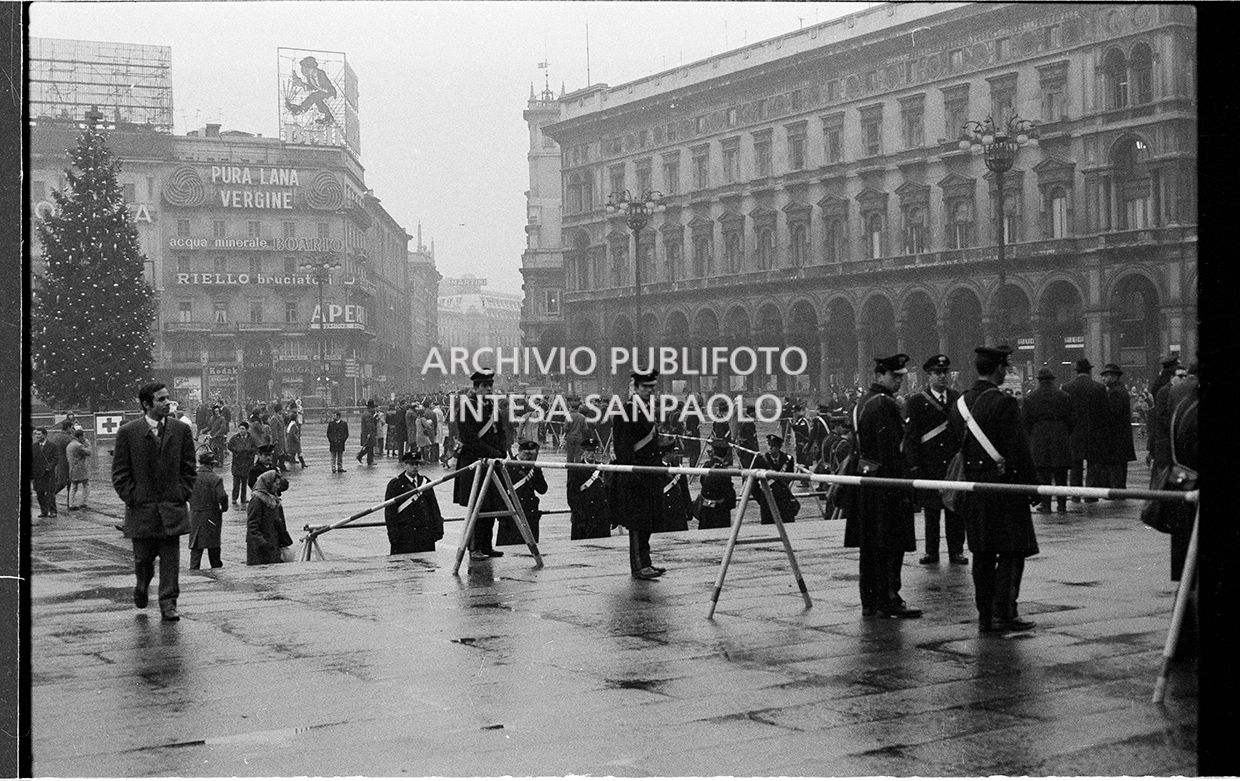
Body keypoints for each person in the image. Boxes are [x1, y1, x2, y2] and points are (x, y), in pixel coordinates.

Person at [949, 346, 1039, 634]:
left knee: (982, 553)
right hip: (1004, 489)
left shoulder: (959, 404)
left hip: (974, 490)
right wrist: (1033, 488)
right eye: (1006, 367)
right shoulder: (1004, 404)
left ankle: (985, 615)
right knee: (1012, 552)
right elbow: (1019, 450)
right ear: (998, 368)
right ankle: (1006, 612)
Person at [111, 382, 197, 621]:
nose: (167, 403)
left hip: (171, 509)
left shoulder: (180, 430)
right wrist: (134, 497)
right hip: (142, 511)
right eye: (161, 399)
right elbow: (120, 473)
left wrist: (182, 493)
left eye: (167, 398)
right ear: (147, 405)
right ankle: (142, 585)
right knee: (143, 560)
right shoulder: (129, 432)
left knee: (170, 561)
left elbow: (189, 468)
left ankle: (168, 603)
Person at [844, 353, 921, 619]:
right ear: (879, 376)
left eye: (901, 376)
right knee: (890, 544)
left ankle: (870, 601)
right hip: (886, 487)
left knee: (870, 547)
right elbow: (892, 452)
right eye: (894, 376)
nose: (899, 381)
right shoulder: (884, 405)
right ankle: (889, 598)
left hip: (867, 484)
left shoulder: (862, 402)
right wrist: (903, 489)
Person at [903, 354, 967, 566]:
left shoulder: (957, 398)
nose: (941, 377)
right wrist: (914, 465)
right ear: (928, 376)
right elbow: (912, 437)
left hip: (951, 465)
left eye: (944, 373)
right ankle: (931, 552)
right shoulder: (917, 401)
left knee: (954, 510)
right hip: (928, 464)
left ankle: (956, 551)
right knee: (931, 513)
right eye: (937, 373)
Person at [611, 370, 667, 579]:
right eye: (645, 387)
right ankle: (638, 565)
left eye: (652, 387)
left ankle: (647, 562)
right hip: (636, 475)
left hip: (650, 474)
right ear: (635, 388)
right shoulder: (627, 410)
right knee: (637, 522)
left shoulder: (646, 409)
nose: (650, 390)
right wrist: (631, 471)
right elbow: (623, 445)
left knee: (648, 521)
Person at [453, 369, 508, 559]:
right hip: (475, 462)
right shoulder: (465, 408)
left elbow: (500, 432)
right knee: (477, 507)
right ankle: (474, 548)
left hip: (492, 462)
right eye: (484, 386)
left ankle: (486, 546)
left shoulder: (492, 407)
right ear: (475, 388)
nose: (488, 389)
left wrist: (502, 451)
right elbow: (469, 438)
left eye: (490, 385)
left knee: (491, 506)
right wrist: (492, 452)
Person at [1021, 367, 1075, 514]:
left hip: (1040, 437)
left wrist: (1034, 435)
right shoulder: (1064, 396)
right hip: (1060, 436)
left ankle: (1046, 504)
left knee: (1043, 474)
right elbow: (1072, 420)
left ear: (1039, 381)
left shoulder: (1031, 398)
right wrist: (1064, 431)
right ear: (1053, 380)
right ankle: (1062, 505)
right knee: (1061, 475)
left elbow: (1025, 422)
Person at [1062, 358, 1108, 505]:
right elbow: (1104, 413)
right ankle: (1090, 495)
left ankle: (1075, 495)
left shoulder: (1067, 388)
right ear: (1089, 370)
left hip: (1074, 433)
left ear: (1076, 372)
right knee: (1093, 465)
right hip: (1094, 433)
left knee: (1076, 466)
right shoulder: (1099, 388)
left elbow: (1065, 413)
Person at [383, 450, 445, 554]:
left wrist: (438, 528)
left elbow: (433, 507)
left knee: (426, 565)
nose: (415, 467)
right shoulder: (395, 484)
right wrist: (393, 535)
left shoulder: (425, 482)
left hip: (424, 534)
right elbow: (390, 513)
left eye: (417, 464)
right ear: (405, 465)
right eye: (411, 464)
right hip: (405, 536)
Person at [496, 440, 547, 546]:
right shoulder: (507, 466)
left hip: (529, 513)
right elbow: (500, 493)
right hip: (512, 514)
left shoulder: (533, 467)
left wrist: (536, 470)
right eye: (526, 453)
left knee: (531, 549)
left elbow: (542, 489)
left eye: (531, 454)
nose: (528, 457)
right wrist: (502, 516)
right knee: (510, 549)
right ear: (519, 451)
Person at [188, 452, 229, 569]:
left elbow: (184, 494)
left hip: (195, 515)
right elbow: (222, 497)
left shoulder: (191, 477)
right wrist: (224, 508)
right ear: (211, 465)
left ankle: (194, 572)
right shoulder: (216, 479)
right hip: (212, 516)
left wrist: (193, 504)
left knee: (195, 548)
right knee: (214, 548)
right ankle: (216, 575)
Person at [1099, 364, 1136, 491]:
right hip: (1121, 436)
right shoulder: (1119, 390)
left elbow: (1113, 413)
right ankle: (1118, 489)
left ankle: (1117, 491)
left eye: (1105, 376)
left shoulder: (1115, 392)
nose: (1103, 379)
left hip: (1116, 437)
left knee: (1116, 466)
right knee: (1119, 466)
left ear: (1113, 377)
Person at [567, 437, 610, 539]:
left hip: (601, 516)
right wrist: (579, 516)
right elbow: (572, 495)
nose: (592, 454)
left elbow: (608, 491)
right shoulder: (576, 469)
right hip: (584, 517)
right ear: (584, 451)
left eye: (594, 451)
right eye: (589, 451)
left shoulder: (603, 468)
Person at [246, 469, 292, 565]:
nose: (277, 487)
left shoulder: (274, 499)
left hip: (272, 544)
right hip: (261, 549)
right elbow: (252, 525)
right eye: (276, 484)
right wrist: (263, 543)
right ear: (269, 483)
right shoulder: (257, 499)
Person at [753, 434, 799, 526]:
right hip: (767, 498)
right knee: (768, 525)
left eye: (773, 446)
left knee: (787, 524)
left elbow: (789, 477)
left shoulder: (788, 459)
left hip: (784, 498)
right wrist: (761, 498)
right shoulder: (760, 460)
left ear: (778, 447)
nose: (770, 449)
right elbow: (754, 483)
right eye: (769, 446)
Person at [695, 438, 737, 530]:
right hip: (719, 511)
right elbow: (727, 491)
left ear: (713, 451)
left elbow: (702, 482)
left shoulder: (706, 465)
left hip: (706, 509)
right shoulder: (723, 470)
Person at [287, 55, 338, 125]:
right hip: (321, 93)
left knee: (315, 96)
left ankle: (300, 109)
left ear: (310, 68)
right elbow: (312, 87)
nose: (302, 71)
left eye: (303, 68)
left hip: (329, 91)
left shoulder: (320, 73)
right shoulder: (309, 76)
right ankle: (328, 117)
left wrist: (318, 91)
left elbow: (326, 87)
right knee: (317, 100)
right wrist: (302, 84)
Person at [655, 441, 692, 533]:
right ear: (667, 454)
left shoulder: (678, 468)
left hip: (678, 512)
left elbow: (684, 490)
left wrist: (688, 508)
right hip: (664, 512)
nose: (676, 455)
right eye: (674, 452)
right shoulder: (655, 469)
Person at [226, 421, 256, 506]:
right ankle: (234, 498)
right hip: (237, 463)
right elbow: (229, 446)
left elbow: (255, 448)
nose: (241, 431)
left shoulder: (251, 439)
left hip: (247, 463)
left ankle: (243, 498)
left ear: (246, 429)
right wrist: (236, 451)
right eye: (240, 429)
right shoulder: (235, 438)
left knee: (244, 483)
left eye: (243, 429)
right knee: (236, 483)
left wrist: (250, 453)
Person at [32, 427, 59, 518]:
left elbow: (56, 458)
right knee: (40, 494)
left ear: (45, 434)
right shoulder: (34, 447)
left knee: (50, 493)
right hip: (38, 474)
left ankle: (53, 511)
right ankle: (44, 511)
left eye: (39, 434)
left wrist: (50, 466)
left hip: (48, 474)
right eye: (36, 434)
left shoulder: (52, 446)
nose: (37, 436)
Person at [66, 428, 92, 510]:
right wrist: (87, 443)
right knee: (86, 485)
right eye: (83, 436)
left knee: (74, 486)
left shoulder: (70, 445)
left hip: (72, 468)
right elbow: (89, 452)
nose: (84, 438)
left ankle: (71, 504)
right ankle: (83, 503)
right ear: (80, 437)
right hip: (80, 469)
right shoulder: (78, 445)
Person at [563, 398, 588, 464]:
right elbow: (585, 428)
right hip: (579, 437)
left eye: (570, 408)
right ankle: (577, 467)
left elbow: (565, 428)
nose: (569, 409)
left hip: (570, 437)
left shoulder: (568, 416)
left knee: (570, 453)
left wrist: (568, 431)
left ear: (573, 408)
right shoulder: (582, 417)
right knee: (578, 453)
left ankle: (570, 467)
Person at [357, 400, 378, 466]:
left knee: (368, 447)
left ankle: (361, 456)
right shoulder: (367, 415)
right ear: (371, 408)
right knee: (370, 447)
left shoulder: (368, 414)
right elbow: (369, 425)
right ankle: (369, 460)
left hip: (367, 433)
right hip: (368, 433)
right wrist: (370, 433)